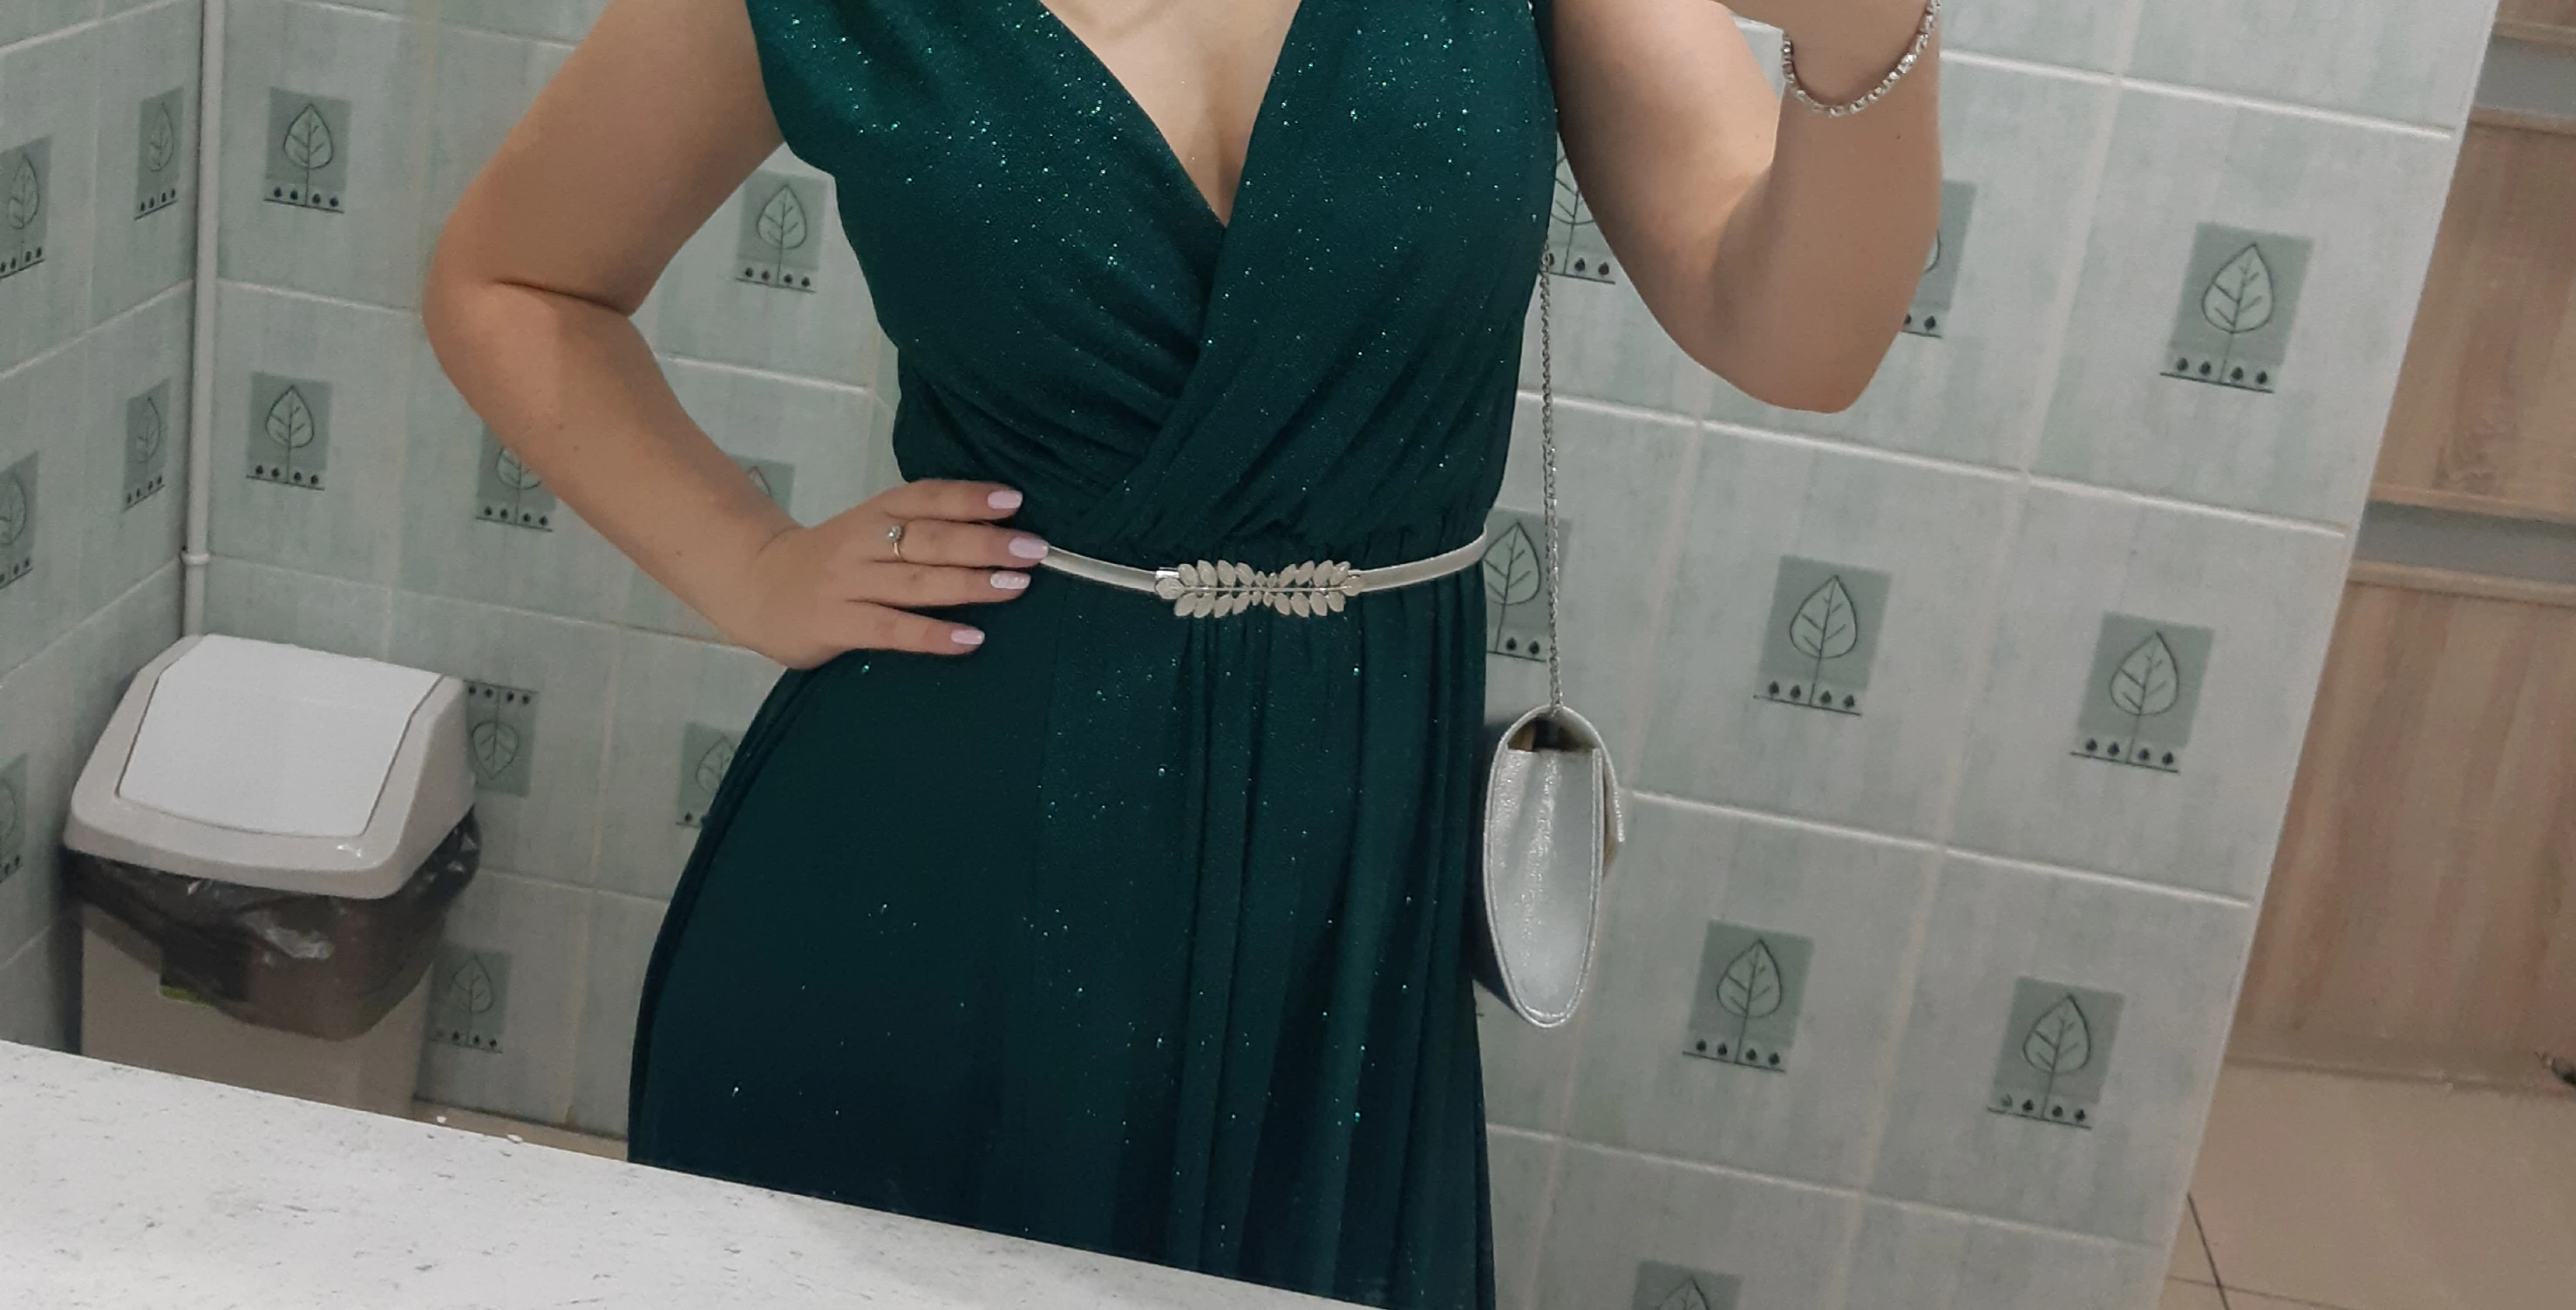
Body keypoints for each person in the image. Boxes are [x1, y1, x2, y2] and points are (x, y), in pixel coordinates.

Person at [420, 0, 1939, 1303]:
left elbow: (1798, 338)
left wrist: (1866, 29)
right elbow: (512, 282)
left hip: (1339, 932)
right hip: (921, 900)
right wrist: (748, 562)